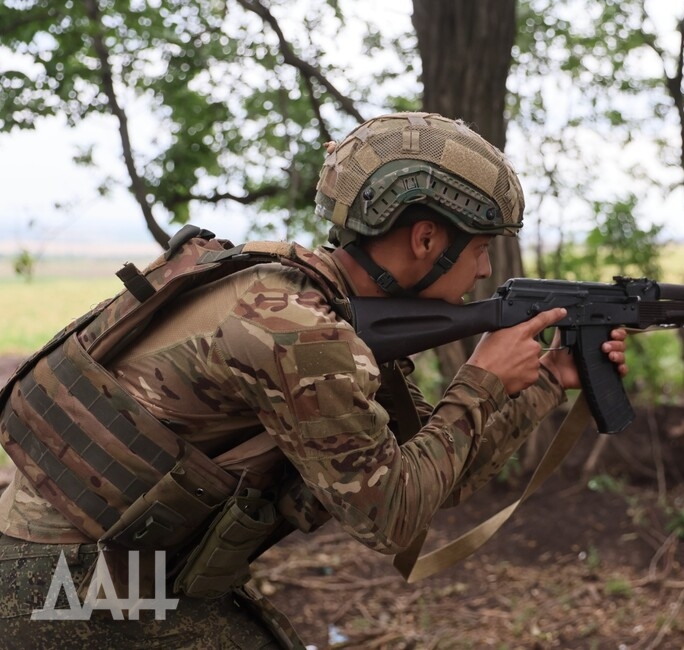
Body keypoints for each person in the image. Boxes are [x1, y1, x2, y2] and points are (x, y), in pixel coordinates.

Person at [0, 112, 627, 648]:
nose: (486, 270)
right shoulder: (300, 332)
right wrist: (480, 382)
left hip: (98, 563)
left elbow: (434, 476)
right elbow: (391, 519)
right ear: (425, 238)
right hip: (61, 583)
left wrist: (548, 379)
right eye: (481, 249)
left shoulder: (305, 299)